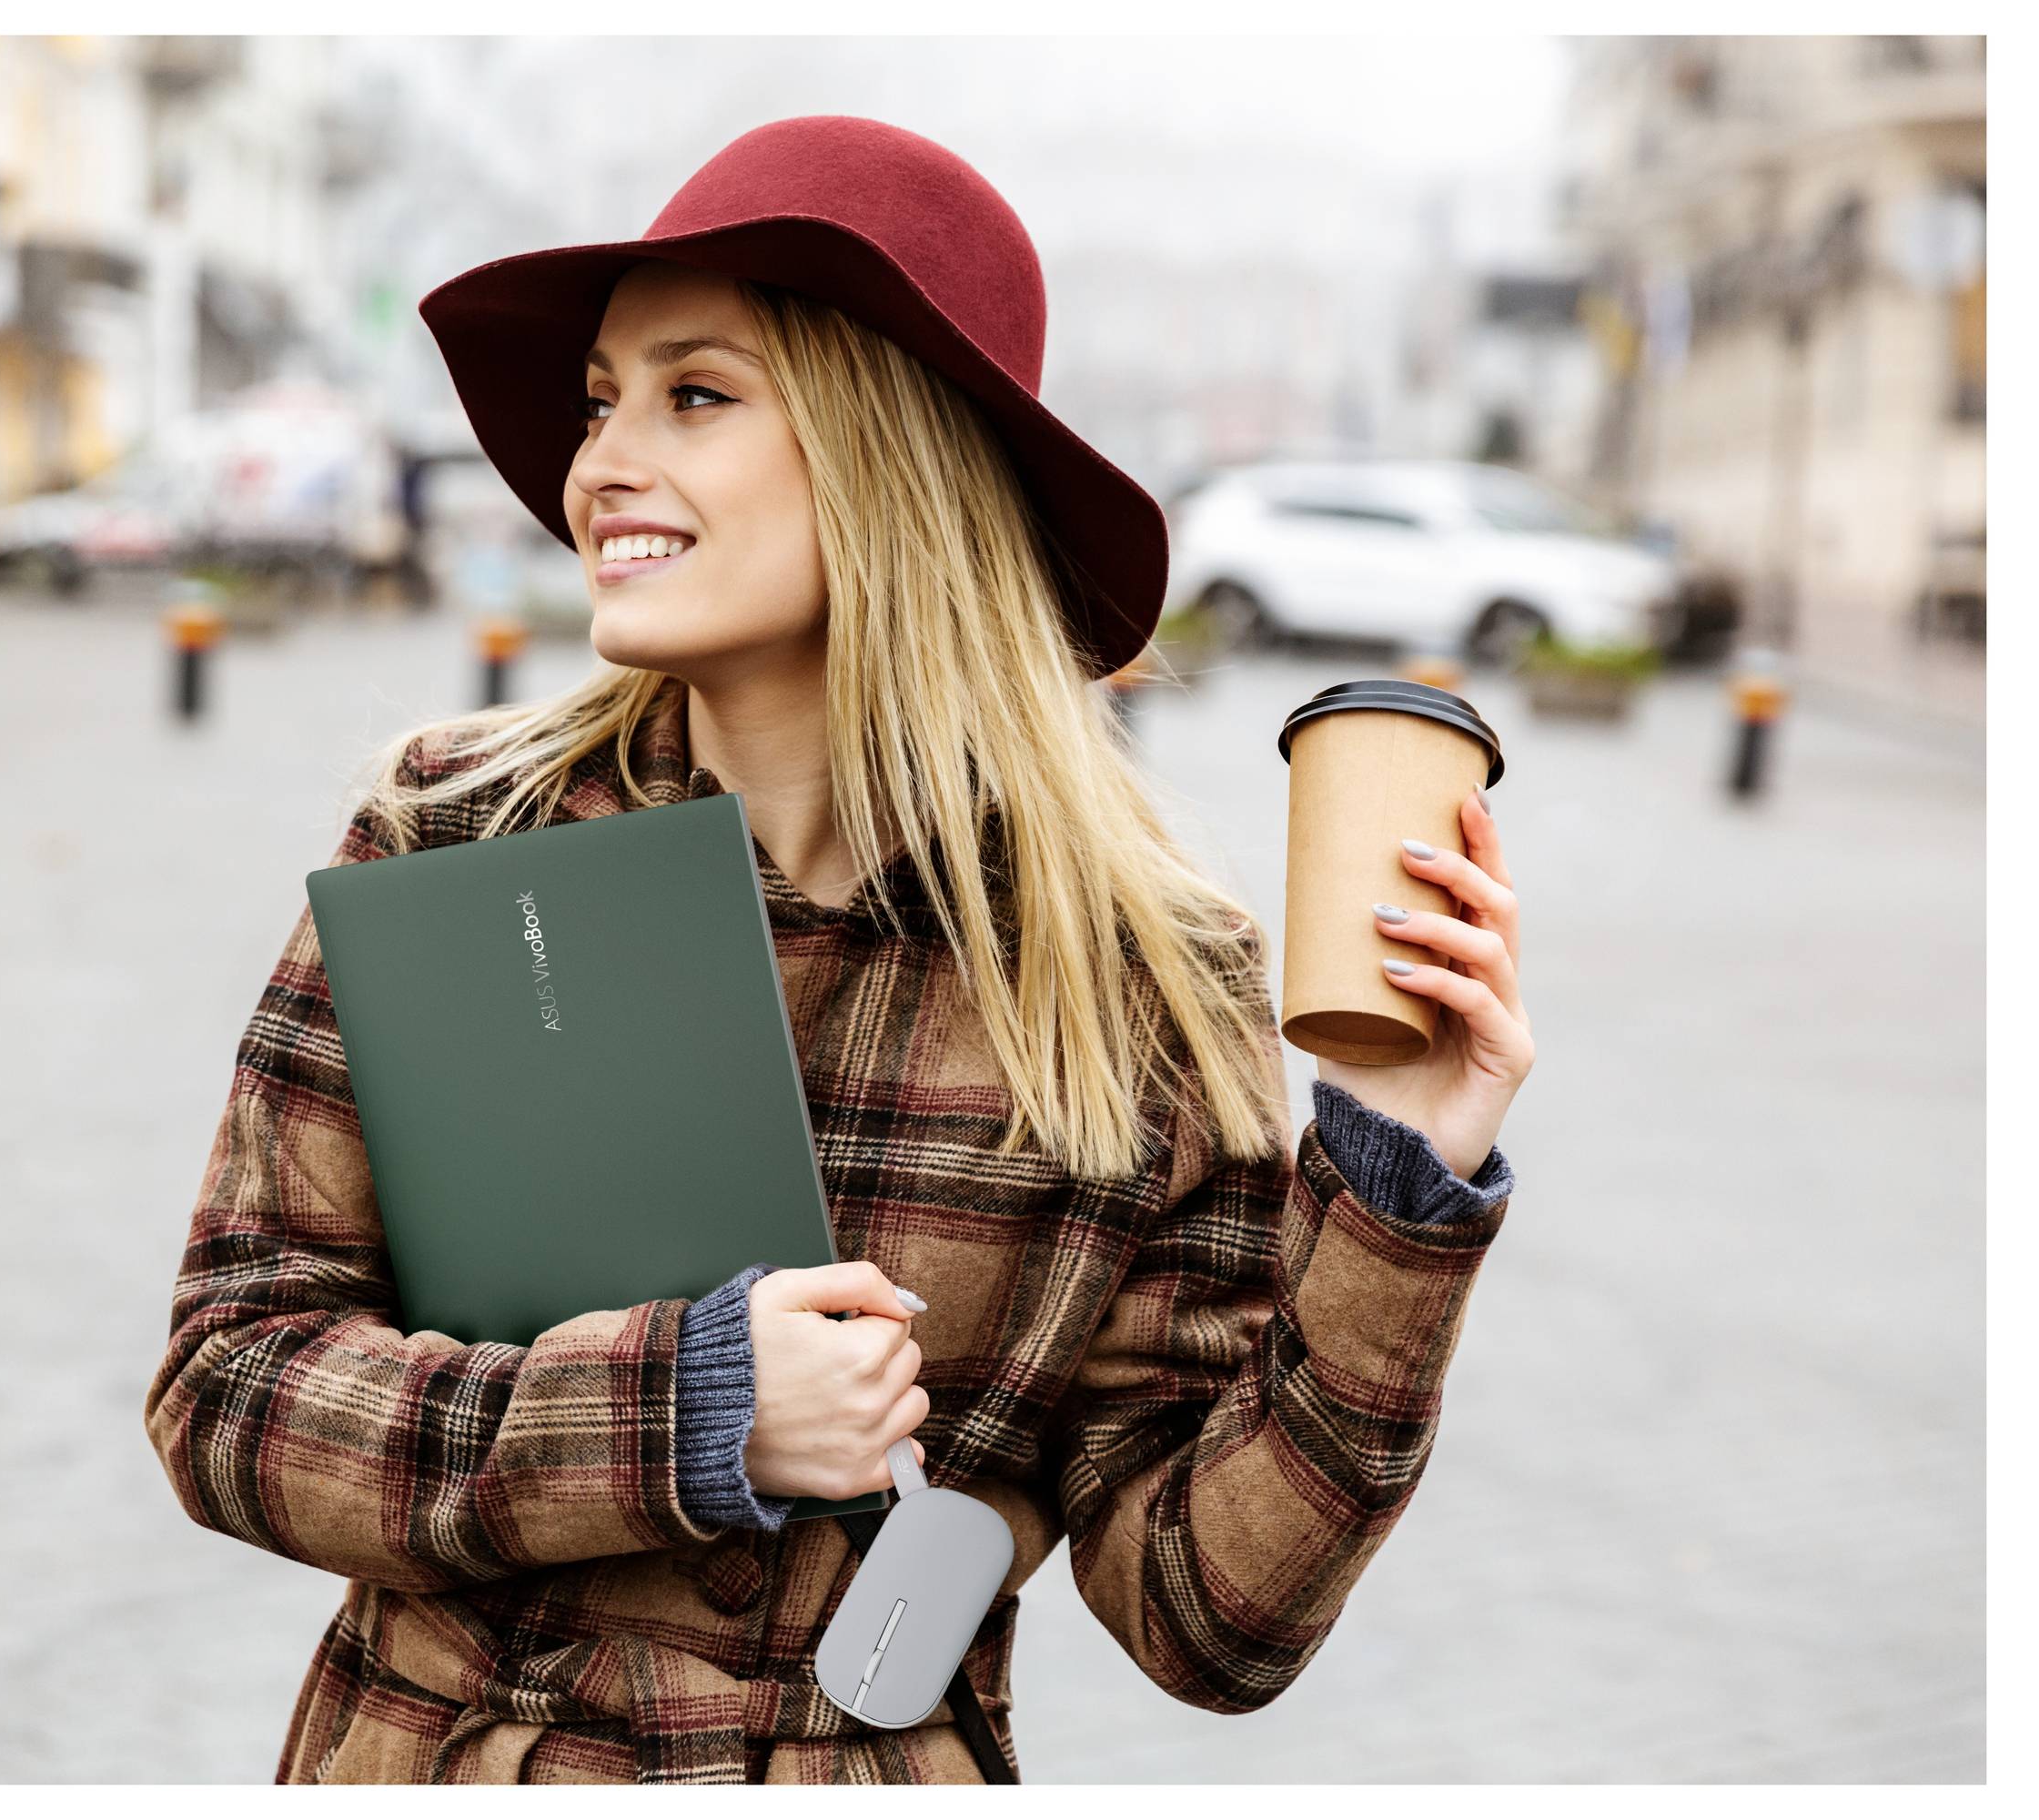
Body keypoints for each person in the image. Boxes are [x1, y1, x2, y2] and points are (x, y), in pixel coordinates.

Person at [146, 116, 1534, 1785]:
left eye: (696, 395)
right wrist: (687, 1410)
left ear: (893, 461)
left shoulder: (1144, 979)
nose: (602, 465)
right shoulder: (455, 841)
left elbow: (1212, 1614)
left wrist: (1397, 1169)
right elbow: (230, 1389)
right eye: (601, 401)